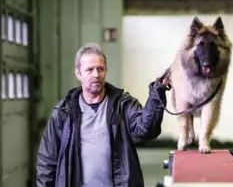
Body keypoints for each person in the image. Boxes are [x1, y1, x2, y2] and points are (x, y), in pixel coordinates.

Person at [36, 42, 169, 187]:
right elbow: (47, 161)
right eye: (89, 70)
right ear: (78, 73)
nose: (96, 75)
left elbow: (147, 130)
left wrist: (157, 92)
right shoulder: (63, 112)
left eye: (100, 69)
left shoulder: (122, 104)